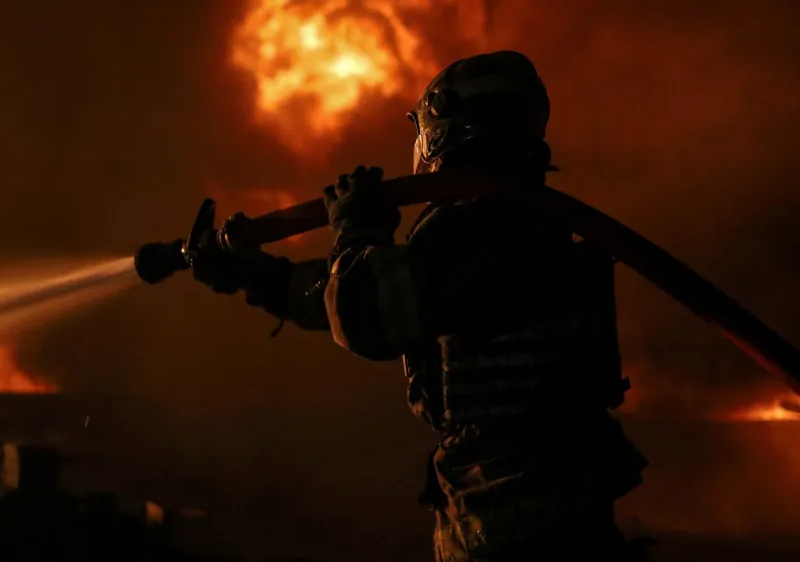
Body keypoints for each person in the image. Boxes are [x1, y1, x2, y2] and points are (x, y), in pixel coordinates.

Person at [190, 51, 649, 561]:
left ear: (439, 128)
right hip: (532, 504)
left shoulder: (488, 228)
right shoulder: (509, 222)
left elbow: (368, 316)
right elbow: (356, 294)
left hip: (521, 517)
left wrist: (358, 229)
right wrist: (253, 275)